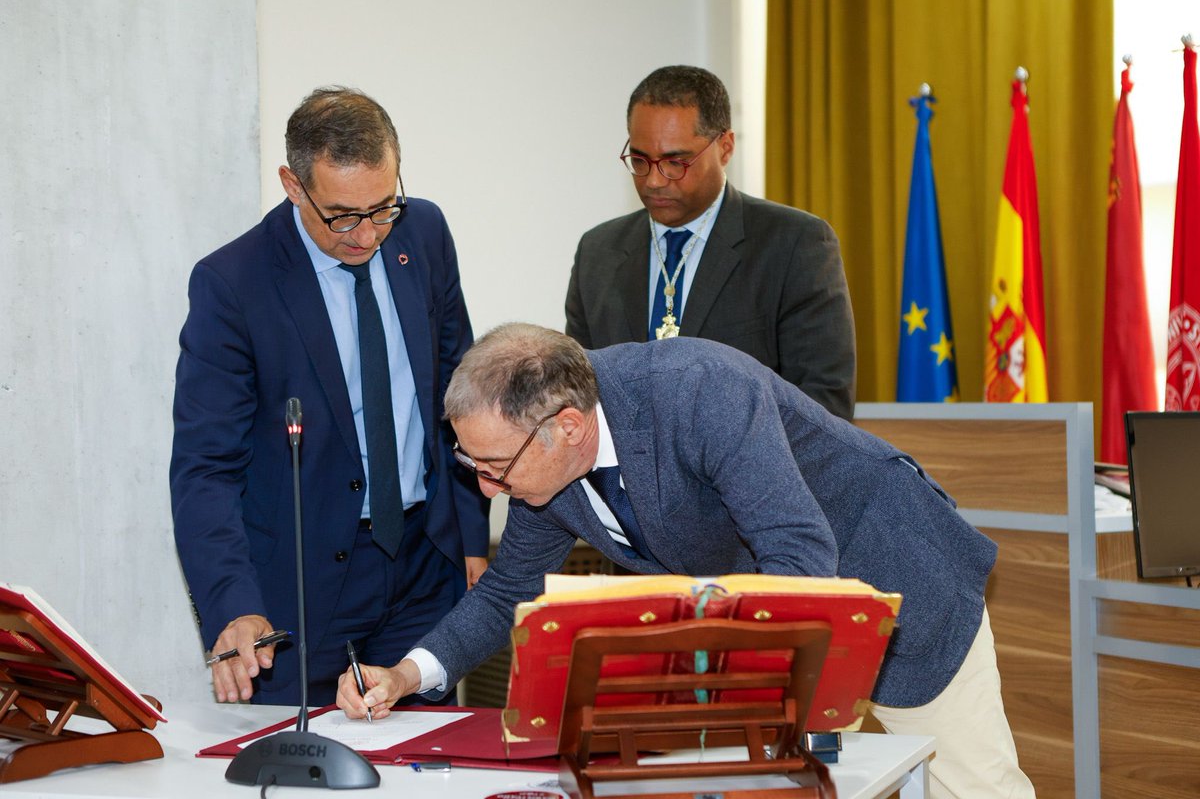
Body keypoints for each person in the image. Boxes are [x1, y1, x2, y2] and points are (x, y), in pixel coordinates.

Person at [337, 323, 1035, 799]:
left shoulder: (701, 388)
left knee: (970, 786)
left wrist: (690, 672)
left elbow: (798, 552)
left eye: (494, 466)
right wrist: (405, 673)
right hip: (778, 610)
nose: (487, 489)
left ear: (567, 426)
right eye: (473, 465)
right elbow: (504, 593)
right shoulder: (541, 470)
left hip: (893, 571)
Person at [170, 86, 490, 707]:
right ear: (293, 186)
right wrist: (234, 604)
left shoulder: (423, 232)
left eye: (383, 207)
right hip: (299, 589)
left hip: (425, 563)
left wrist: (472, 535)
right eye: (342, 215)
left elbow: (461, 390)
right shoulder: (233, 284)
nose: (367, 234)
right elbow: (205, 466)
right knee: (296, 755)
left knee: (426, 752)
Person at [565, 65, 856, 420]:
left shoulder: (794, 244)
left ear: (725, 147)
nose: (654, 181)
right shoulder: (598, 252)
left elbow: (823, 411)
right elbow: (577, 400)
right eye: (640, 160)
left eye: (675, 162)